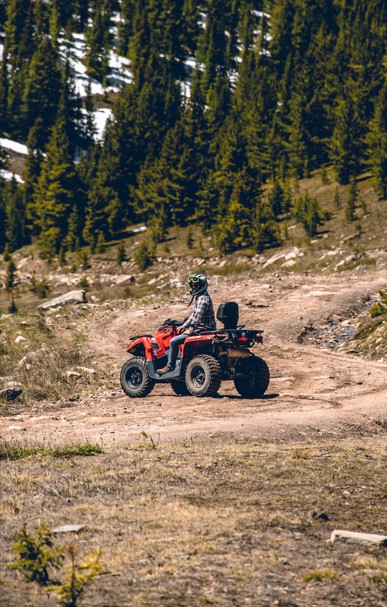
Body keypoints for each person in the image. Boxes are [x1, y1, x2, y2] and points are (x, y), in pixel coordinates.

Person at [158, 273, 216, 374]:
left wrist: (190, 330)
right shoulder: (200, 297)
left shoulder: (202, 299)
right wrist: (184, 326)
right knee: (180, 333)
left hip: (201, 330)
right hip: (201, 328)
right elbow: (193, 316)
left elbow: (198, 318)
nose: (194, 287)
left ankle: (170, 366)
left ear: (202, 285)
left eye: (196, 285)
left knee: (173, 341)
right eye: (193, 285)